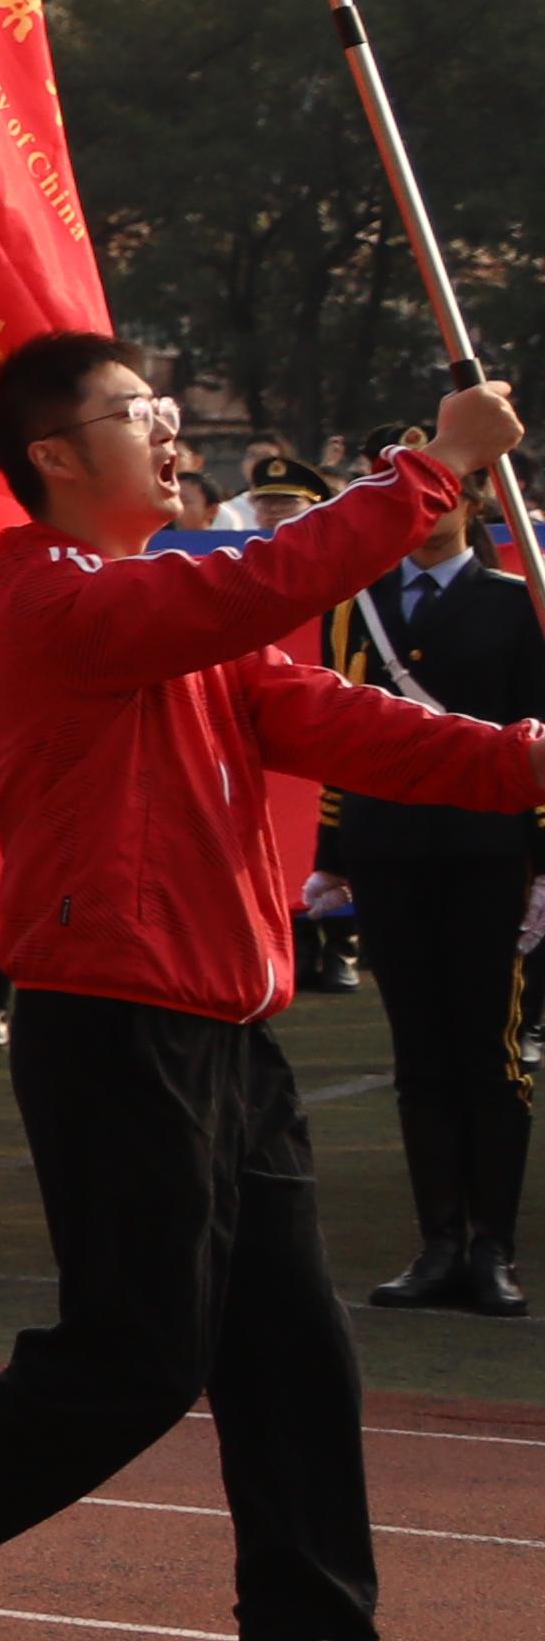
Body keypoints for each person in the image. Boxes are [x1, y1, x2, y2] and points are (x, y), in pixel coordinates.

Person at [0, 349, 537, 1641]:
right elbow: (246, 592)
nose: (167, 430)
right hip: (116, 1011)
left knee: (296, 1354)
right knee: (139, 1352)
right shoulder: (50, 601)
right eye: (135, 413)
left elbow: (326, 715)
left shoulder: (179, 615)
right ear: (52, 456)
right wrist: (432, 470)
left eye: (162, 408)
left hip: (229, 1021)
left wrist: (522, 760)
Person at [318, 449, 542, 1315]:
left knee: (490, 1054)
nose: (427, 512)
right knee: (418, 1054)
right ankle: (438, 1241)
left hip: (489, 850)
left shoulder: (517, 601)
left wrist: (543, 864)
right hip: (389, 846)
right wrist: (331, 852)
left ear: (473, 502)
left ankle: (492, 1248)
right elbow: (336, 729)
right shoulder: (359, 605)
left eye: (443, 495)